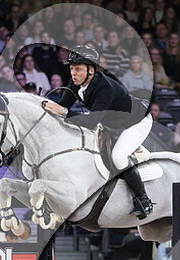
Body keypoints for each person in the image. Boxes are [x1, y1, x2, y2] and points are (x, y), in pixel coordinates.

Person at [42, 45, 154, 218]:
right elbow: (62, 106)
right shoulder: (76, 82)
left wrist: (63, 112)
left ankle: (144, 200)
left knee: (118, 157)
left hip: (137, 122)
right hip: (113, 123)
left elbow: (90, 121)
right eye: (72, 69)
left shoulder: (105, 88)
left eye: (78, 69)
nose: (73, 73)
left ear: (91, 70)